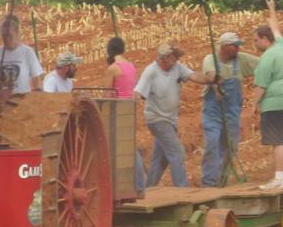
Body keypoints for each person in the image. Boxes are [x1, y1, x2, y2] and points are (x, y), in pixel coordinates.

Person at [134, 42, 215, 188]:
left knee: (161, 158)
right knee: (177, 152)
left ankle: (149, 188)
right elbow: (138, 92)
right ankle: (182, 189)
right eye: (174, 57)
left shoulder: (176, 68)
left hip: (170, 120)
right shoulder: (151, 72)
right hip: (157, 119)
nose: (177, 60)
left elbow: (193, 76)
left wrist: (209, 80)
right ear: (165, 58)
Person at [199, 31, 260, 188]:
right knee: (212, 144)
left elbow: (263, 64)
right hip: (213, 111)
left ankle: (221, 180)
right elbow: (210, 75)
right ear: (225, 47)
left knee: (231, 147)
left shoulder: (241, 60)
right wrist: (215, 83)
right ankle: (209, 183)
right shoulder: (210, 58)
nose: (238, 49)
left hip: (232, 112)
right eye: (235, 46)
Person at [252, 0, 283, 191]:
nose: (254, 44)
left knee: (277, 142)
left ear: (264, 39)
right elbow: (275, 27)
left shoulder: (266, 58)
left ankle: (279, 178)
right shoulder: (281, 45)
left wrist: (253, 105)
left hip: (274, 103)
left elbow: (261, 86)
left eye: (255, 40)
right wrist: (271, 8)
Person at [105, 36, 145, 197]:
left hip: (116, 111)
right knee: (129, 146)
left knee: (114, 148)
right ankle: (139, 185)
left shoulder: (113, 68)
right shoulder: (131, 66)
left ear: (110, 50)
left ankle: (130, 186)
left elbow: (106, 93)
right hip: (130, 108)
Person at [0, 15, 44, 94]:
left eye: (9, 35)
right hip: (2, 101)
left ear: (17, 33)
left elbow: (37, 79)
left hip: (22, 100)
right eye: (4, 36)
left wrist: (38, 96)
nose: (6, 39)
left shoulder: (27, 52)